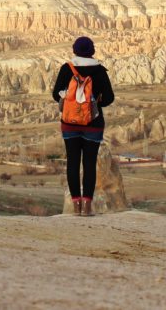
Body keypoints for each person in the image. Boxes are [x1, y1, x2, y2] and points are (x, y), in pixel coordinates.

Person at [52, 36, 114, 216]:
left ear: (75, 50)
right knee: (89, 164)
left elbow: (56, 94)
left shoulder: (67, 69)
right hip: (93, 124)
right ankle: (87, 206)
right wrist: (93, 103)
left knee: (72, 163)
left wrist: (70, 99)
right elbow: (109, 98)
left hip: (69, 123)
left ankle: (76, 206)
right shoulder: (100, 71)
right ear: (92, 50)